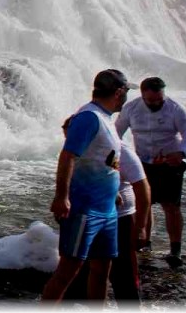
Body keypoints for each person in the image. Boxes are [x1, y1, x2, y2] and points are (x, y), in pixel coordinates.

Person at [41, 68, 129, 303]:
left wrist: (116, 191)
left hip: (107, 208)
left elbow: (107, 159)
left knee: (102, 270)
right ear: (119, 92)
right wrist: (62, 197)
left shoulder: (106, 118)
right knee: (68, 270)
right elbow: (68, 155)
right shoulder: (89, 117)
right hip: (84, 209)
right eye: (127, 91)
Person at [65, 115, 150, 307]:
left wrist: (141, 227)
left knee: (123, 274)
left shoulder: (117, 149)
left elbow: (142, 187)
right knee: (80, 272)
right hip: (89, 216)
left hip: (119, 219)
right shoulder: (81, 151)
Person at [114, 76, 186, 266]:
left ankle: (175, 249)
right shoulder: (131, 108)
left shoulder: (175, 108)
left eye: (160, 99)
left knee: (171, 206)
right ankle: (145, 243)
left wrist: (181, 153)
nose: (157, 103)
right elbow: (116, 133)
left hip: (170, 162)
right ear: (142, 95)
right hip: (142, 162)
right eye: (152, 100)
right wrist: (118, 159)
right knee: (145, 203)